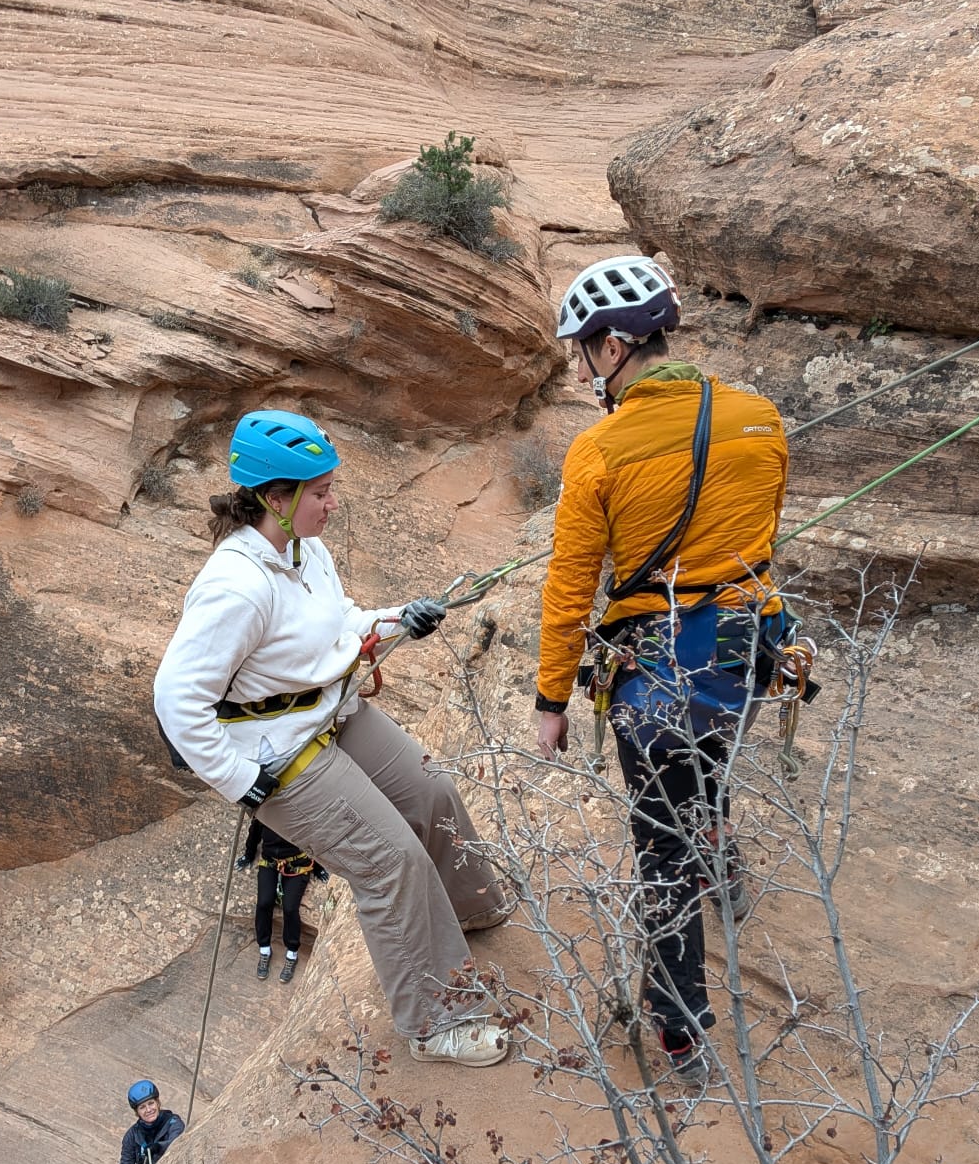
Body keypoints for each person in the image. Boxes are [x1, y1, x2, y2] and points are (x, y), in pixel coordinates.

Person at [152, 410, 513, 1067]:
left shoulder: (304, 550)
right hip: (279, 752)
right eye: (320, 493)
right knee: (390, 862)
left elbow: (339, 620)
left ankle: (469, 910)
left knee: (432, 793)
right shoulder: (236, 587)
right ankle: (436, 1022)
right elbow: (176, 699)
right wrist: (239, 780)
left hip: (332, 712)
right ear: (275, 498)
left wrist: (398, 619)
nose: (333, 504)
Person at [534, 257, 789, 1071]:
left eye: (585, 353)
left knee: (660, 849)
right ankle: (722, 853)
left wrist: (551, 698)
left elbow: (571, 587)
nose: (583, 371)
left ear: (614, 347)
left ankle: (680, 1031)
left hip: (657, 666)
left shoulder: (599, 450)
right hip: (749, 647)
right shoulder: (759, 418)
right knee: (710, 759)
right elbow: (762, 533)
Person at [238, 819, 325, 982]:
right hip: (270, 862)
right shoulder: (265, 814)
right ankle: (264, 949)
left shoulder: (297, 815)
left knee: (290, 908)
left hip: (297, 864)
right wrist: (249, 855)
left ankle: (292, 953)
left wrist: (318, 867)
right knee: (264, 903)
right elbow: (254, 833)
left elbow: (314, 837)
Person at [118, 1079, 186, 1164]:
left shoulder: (173, 1122)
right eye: (142, 1107)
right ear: (137, 1112)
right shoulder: (132, 1135)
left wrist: (158, 1147)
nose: (148, 1110)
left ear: (158, 1103)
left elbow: (177, 1142)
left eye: (151, 1103)